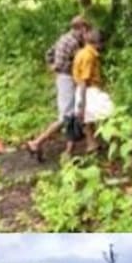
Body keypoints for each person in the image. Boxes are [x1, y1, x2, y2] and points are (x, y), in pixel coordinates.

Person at [26, 15, 90, 160]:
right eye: (85, 30)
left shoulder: (64, 38)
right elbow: (69, 65)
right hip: (67, 78)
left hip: (63, 77)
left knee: (72, 115)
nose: (86, 33)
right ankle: (36, 142)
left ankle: (69, 151)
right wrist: (60, 69)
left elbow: (49, 53)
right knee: (65, 117)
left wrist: (52, 66)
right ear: (81, 28)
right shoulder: (74, 43)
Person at [71, 30, 112, 156]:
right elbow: (84, 80)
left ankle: (92, 144)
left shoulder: (81, 52)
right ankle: (114, 142)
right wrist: (82, 104)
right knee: (110, 113)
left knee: (89, 119)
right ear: (97, 43)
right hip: (89, 90)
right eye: (101, 43)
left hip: (82, 89)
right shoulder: (89, 56)